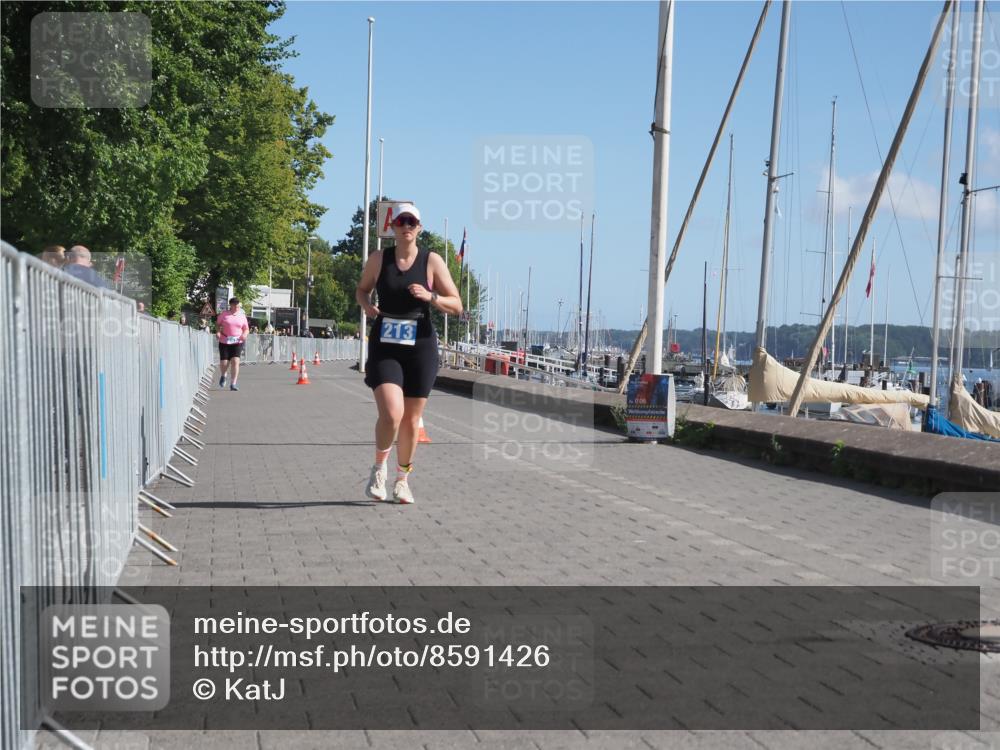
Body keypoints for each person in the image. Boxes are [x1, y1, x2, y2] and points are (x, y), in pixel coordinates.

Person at [355, 202, 462, 504]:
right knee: (391, 413)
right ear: (392, 227)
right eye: (401, 221)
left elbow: (457, 304)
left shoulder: (432, 261)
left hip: (421, 343)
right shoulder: (379, 259)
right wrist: (367, 306)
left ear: (419, 228)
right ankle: (378, 469)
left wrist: (432, 296)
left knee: (411, 420)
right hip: (386, 342)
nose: (406, 227)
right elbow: (361, 290)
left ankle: (402, 480)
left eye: (411, 222)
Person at [216, 297, 249, 391]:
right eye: (234, 305)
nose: (236, 307)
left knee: (235, 361)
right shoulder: (224, 315)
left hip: (238, 341)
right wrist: (218, 332)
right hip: (224, 340)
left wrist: (244, 335)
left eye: (238, 305)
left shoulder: (242, 316)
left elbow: (246, 328)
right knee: (224, 362)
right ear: (230, 305)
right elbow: (218, 324)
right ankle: (223, 375)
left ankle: (233, 383)